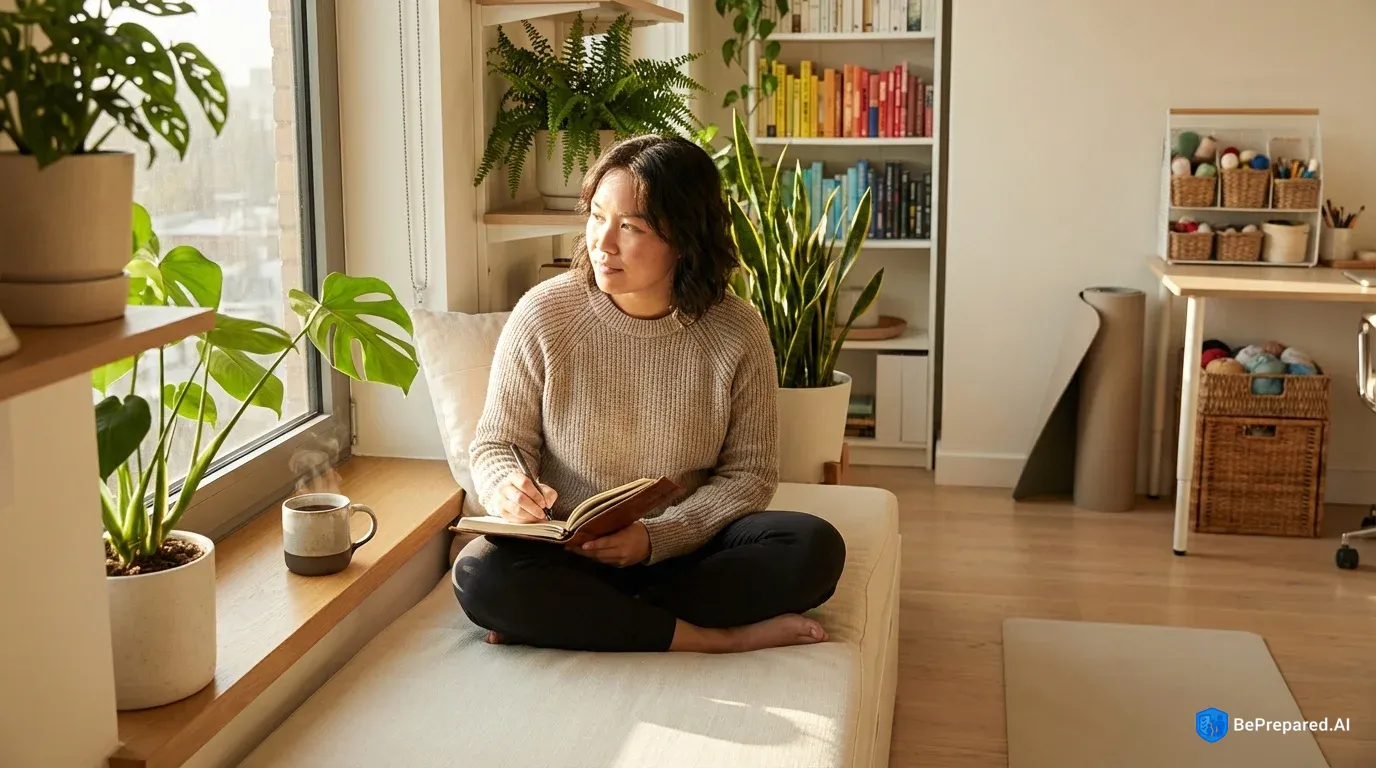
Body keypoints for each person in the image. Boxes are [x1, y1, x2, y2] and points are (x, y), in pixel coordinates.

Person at [452, 134, 846, 653]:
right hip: (566, 552)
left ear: (685, 237)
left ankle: (580, 621)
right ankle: (709, 639)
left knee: (812, 547)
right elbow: (497, 444)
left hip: (680, 554)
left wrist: (656, 539)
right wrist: (507, 487)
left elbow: (749, 474)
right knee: (479, 573)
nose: (602, 242)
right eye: (597, 216)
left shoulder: (737, 331)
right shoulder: (545, 313)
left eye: (630, 227)